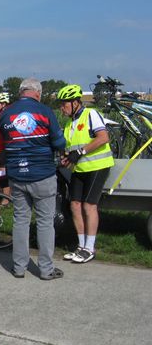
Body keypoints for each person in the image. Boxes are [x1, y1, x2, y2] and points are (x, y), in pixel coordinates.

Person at [0, 77, 67, 280]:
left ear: (21, 92)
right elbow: (59, 141)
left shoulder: (5, 114)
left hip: (17, 175)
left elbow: (0, 145)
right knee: (45, 222)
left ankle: (18, 267)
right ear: (37, 93)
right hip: (43, 174)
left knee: (20, 221)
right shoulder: (44, 112)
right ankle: (45, 269)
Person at [57, 84, 114, 263]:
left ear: (75, 102)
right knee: (74, 205)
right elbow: (71, 149)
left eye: (64, 104)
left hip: (97, 167)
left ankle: (90, 247)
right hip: (80, 169)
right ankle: (81, 246)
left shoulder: (91, 114)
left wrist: (80, 152)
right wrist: (67, 158)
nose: (61, 107)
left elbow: (104, 137)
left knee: (89, 206)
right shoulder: (68, 123)